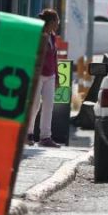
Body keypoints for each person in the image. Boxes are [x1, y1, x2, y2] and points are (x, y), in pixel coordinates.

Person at [27, 9, 61, 148]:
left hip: (50, 75)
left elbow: (54, 57)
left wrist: (57, 75)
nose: (58, 24)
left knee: (49, 105)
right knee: (34, 105)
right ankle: (28, 134)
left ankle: (45, 137)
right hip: (37, 75)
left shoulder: (53, 37)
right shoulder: (37, 34)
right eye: (57, 21)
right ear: (51, 22)